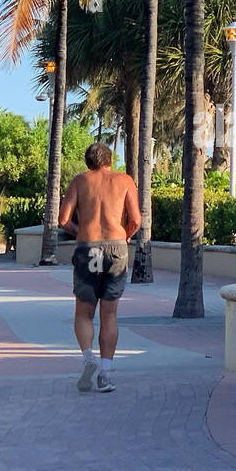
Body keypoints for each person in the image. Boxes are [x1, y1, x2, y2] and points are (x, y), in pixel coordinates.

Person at [57, 142, 140, 394]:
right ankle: (105, 374)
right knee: (109, 314)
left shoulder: (80, 181)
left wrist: (80, 231)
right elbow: (136, 219)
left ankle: (87, 358)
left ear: (87, 161)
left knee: (83, 312)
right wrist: (125, 236)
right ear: (109, 160)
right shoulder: (124, 180)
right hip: (116, 247)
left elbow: (62, 220)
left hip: (88, 247)